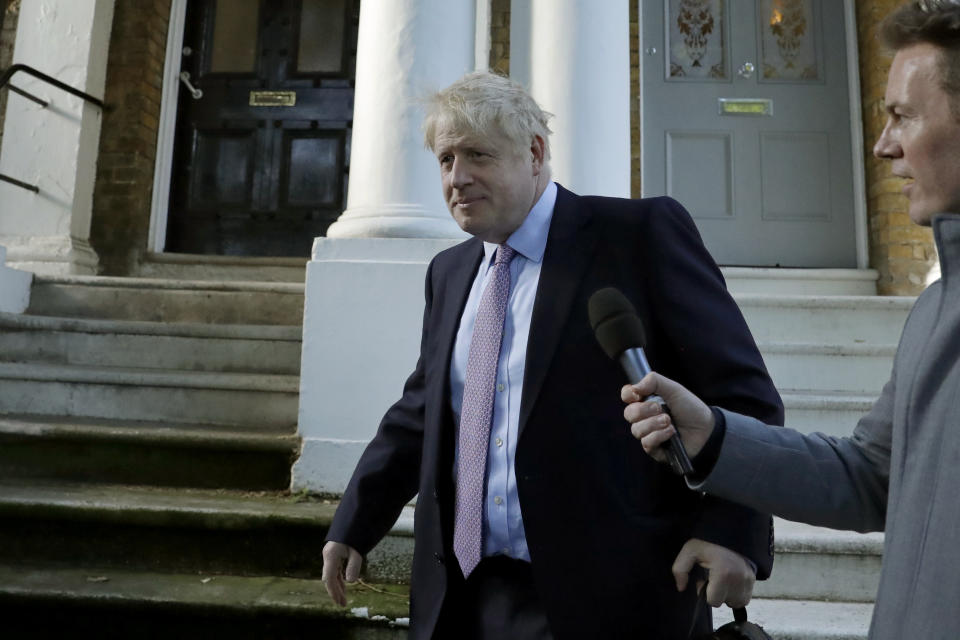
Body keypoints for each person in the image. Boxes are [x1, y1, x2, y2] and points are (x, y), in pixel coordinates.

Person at [321, 70, 784, 639]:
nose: (457, 179)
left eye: (478, 156)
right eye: (445, 161)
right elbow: (423, 411)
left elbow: (743, 397)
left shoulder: (635, 236)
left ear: (535, 152)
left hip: (611, 597)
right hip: (464, 599)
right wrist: (356, 521)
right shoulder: (451, 272)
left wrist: (733, 530)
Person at [623, 3, 960, 638]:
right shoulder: (935, 311)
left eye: (903, 116)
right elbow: (870, 478)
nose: (884, 143)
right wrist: (714, 436)